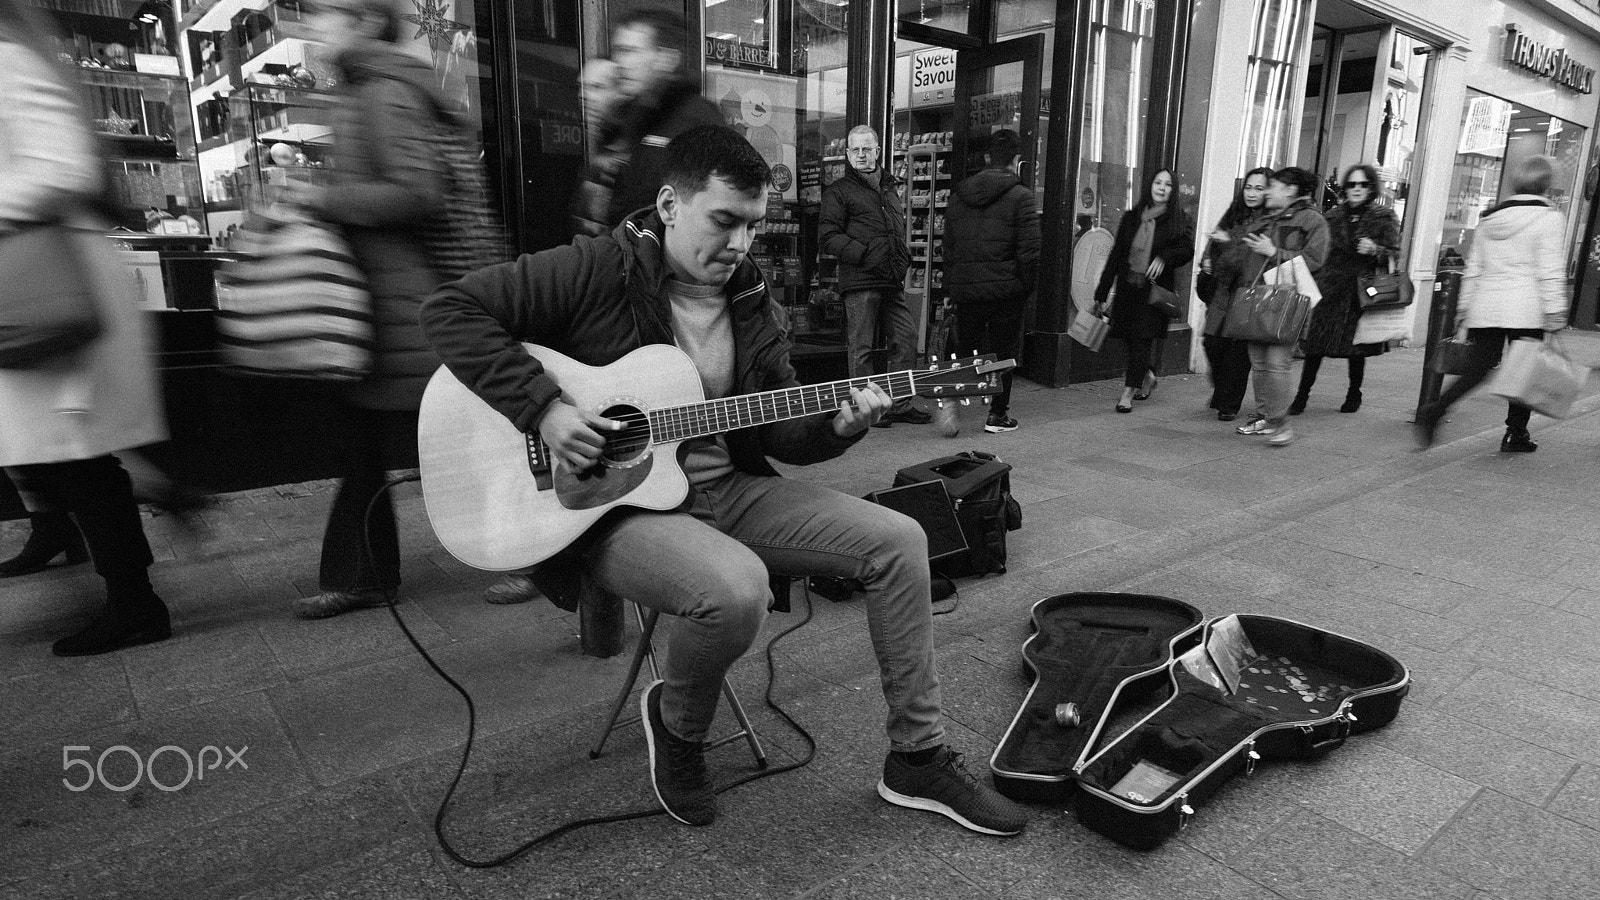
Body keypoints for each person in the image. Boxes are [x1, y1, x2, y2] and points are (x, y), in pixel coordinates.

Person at [420, 125, 1028, 836]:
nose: (739, 244)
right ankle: (679, 730)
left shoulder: (751, 299)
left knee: (900, 538)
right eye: (724, 222)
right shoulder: (595, 269)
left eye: (752, 227)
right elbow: (450, 311)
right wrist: (547, 409)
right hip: (616, 509)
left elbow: (777, 432)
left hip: (728, 490)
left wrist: (839, 427)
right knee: (735, 588)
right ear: (671, 205)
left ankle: (916, 760)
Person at [1, 0, 173, 655]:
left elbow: (64, 166)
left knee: (79, 455)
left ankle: (135, 603)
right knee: (66, 451)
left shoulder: (10, 62)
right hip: (43, 272)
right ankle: (120, 580)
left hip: (47, 276)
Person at [289, 0, 449, 619]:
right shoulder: (364, 92)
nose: (310, 27)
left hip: (400, 303)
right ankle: (361, 576)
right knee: (364, 448)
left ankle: (544, 555)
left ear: (364, 24)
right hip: (373, 301)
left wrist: (325, 199)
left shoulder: (385, 93)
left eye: (324, 14)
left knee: (448, 443)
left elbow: (418, 190)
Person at [1415, 156, 1570, 453]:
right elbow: (1550, 269)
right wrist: (1555, 310)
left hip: (1487, 306)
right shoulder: (1550, 218)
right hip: (1526, 308)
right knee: (1524, 371)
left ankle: (1436, 409)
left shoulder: (1489, 218)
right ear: (1546, 184)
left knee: (1479, 368)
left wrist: (1464, 309)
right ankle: (1516, 434)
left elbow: (1474, 268)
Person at [572, 10, 721, 237]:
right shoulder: (635, 120)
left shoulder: (696, 121)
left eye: (628, 51)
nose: (618, 64)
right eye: (617, 52)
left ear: (666, 59)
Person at [820, 124, 928, 427]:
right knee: (861, 347)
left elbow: (895, 230)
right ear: (847, 153)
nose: (861, 155)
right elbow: (828, 237)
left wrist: (902, 257)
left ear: (877, 151)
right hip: (860, 279)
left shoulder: (889, 188)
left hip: (890, 278)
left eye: (866, 149)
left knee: (906, 339)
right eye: (854, 149)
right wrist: (866, 255)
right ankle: (866, 408)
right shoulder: (838, 191)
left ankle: (900, 404)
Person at [942, 129, 1040, 434]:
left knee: (961, 347)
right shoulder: (1022, 197)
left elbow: (948, 246)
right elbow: (1031, 251)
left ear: (987, 158)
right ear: (1017, 161)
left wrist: (952, 286)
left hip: (967, 290)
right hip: (1006, 290)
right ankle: (997, 415)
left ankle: (950, 404)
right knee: (1001, 352)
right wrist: (1025, 286)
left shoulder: (959, 195)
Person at [1232, 166, 1330, 447]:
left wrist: (1275, 252)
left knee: (1276, 363)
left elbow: (1315, 261)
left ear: (1290, 189)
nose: (1267, 191)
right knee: (1260, 363)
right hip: (1260, 301)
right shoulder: (1268, 219)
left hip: (1287, 303)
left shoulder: (1313, 221)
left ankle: (1281, 424)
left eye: (1272, 185)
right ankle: (1265, 418)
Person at [1291, 163, 1400, 415]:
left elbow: (1396, 254)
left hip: (1360, 291)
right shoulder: (1330, 216)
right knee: (1315, 347)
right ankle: (1301, 397)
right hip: (1330, 288)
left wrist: (1376, 250)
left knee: (1356, 349)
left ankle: (1354, 394)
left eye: (1363, 184)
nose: (1356, 189)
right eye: (1351, 184)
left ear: (1371, 187)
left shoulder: (1384, 217)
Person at [1092, 168, 1194, 413]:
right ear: (1149, 185)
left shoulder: (1178, 218)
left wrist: (1164, 257)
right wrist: (1102, 291)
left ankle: (1128, 392)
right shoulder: (1132, 217)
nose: (1162, 188)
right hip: (1129, 288)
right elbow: (1117, 255)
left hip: (1153, 291)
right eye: (1158, 182)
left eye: (1168, 184)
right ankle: (1146, 375)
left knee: (1141, 340)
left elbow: (1186, 250)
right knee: (1129, 339)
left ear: (1173, 190)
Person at [1198, 167, 1273, 422]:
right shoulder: (1234, 213)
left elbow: (1246, 250)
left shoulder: (1270, 220)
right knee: (1212, 342)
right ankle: (1222, 390)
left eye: (1259, 188)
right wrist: (1207, 260)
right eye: (1249, 187)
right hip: (1223, 288)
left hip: (1250, 290)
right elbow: (1214, 243)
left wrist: (1227, 241)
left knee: (1238, 351)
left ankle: (1229, 404)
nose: (1252, 193)